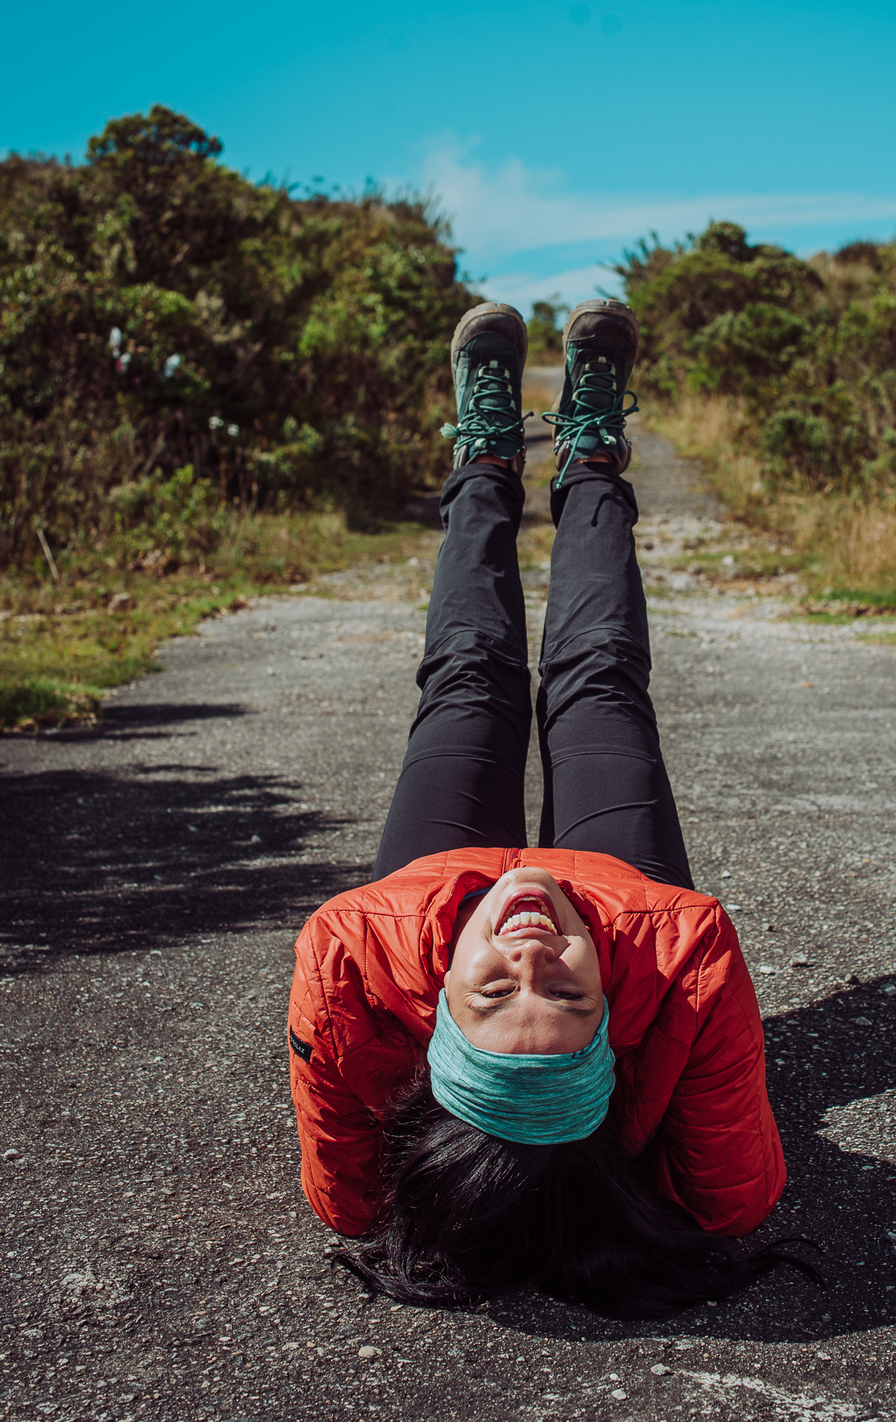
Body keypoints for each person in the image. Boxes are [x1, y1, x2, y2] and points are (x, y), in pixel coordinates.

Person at [287, 299, 803, 1317]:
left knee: (471, 677)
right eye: (565, 998)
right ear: (610, 1027)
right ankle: (591, 457)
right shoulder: (676, 950)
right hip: (626, 901)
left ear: (436, 1025)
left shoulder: (358, 955)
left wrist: (446, 1219)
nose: (530, 952)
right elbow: (736, 1202)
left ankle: (483, 463)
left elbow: (348, 1198)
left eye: (493, 997)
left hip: (429, 898)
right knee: (597, 677)